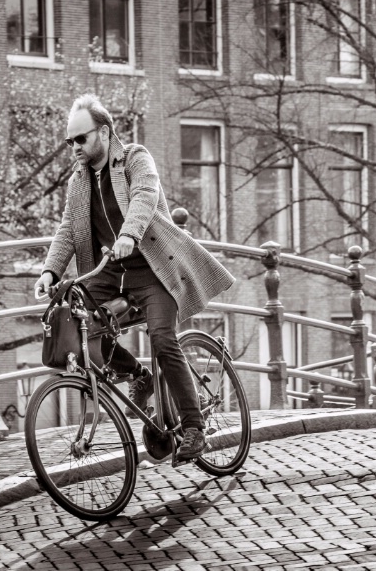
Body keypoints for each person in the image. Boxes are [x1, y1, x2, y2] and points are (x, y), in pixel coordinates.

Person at [34, 94, 235, 461]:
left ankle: (194, 429)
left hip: (152, 270)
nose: (74, 147)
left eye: (81, 139)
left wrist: (129, 234)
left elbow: (144, 195)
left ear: (105, 133)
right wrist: (50, 270)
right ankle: (139, 378)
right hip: (109, 272)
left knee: (161, 338)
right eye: (70, 141)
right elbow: (67, 228)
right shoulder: (78, 182)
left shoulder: (135, 159)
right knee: (84, 333)